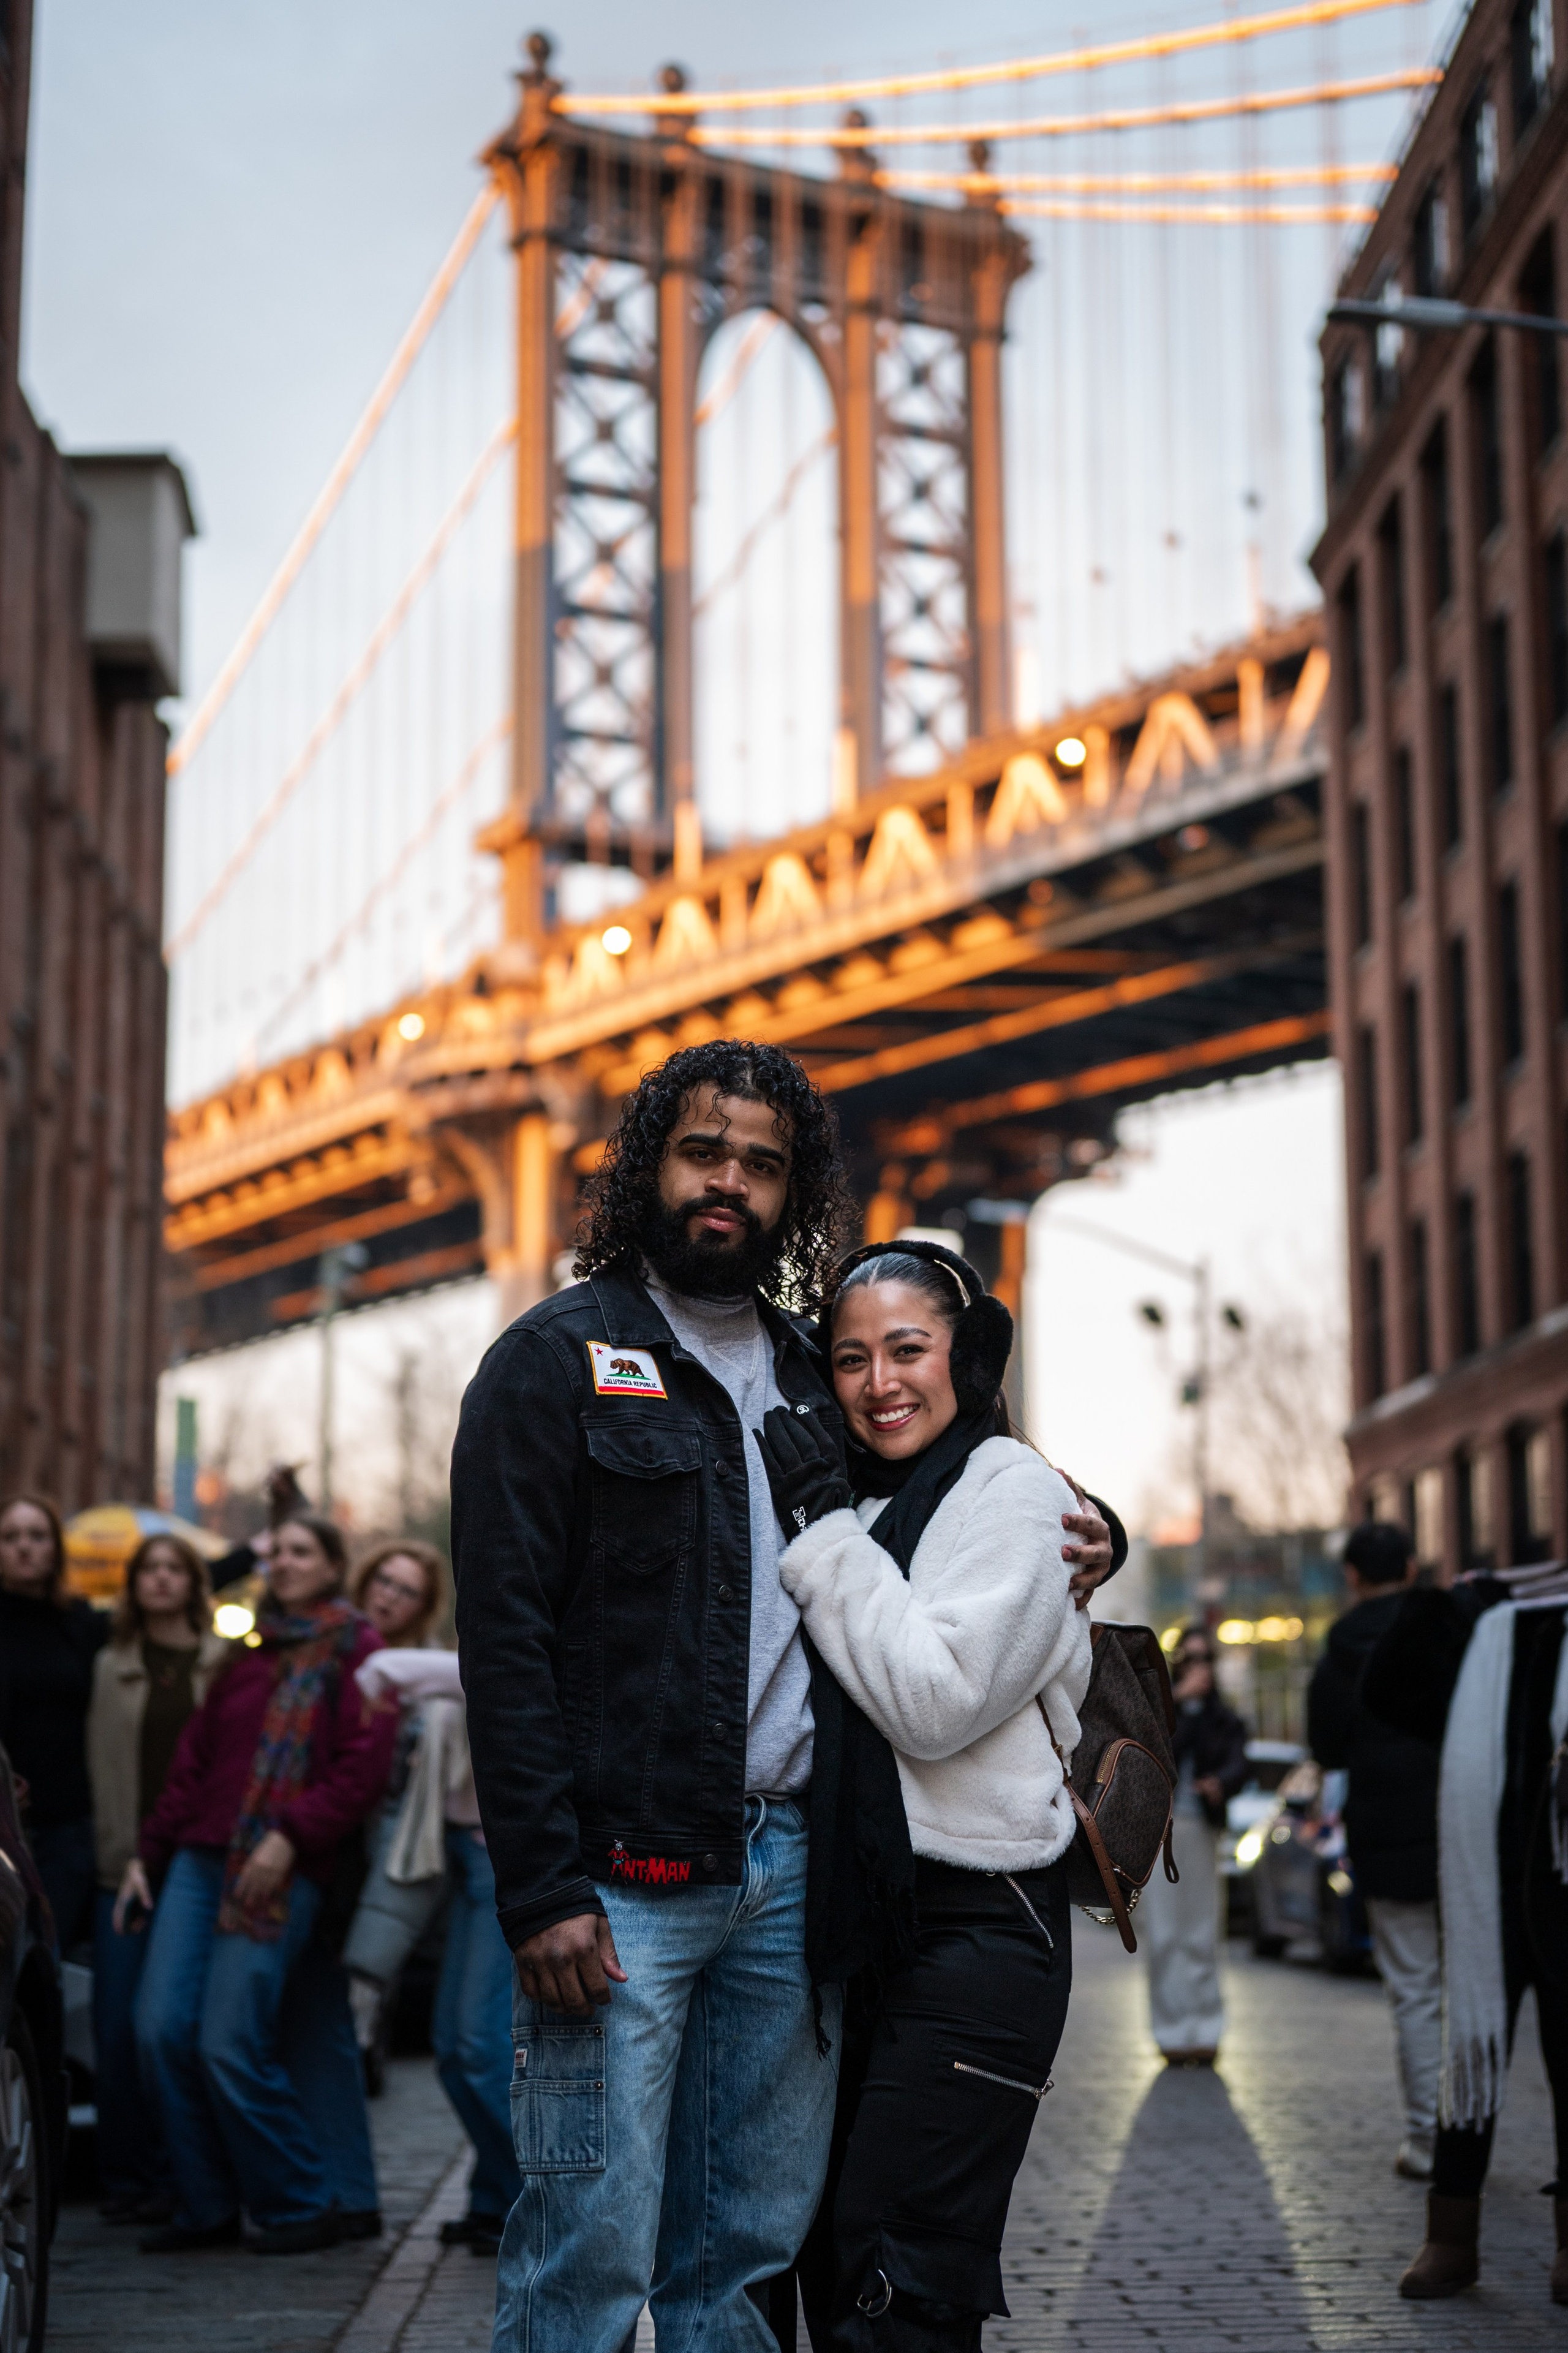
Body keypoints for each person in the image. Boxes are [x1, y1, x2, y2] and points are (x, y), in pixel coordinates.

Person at [450, 1040, 1122, 2353]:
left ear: (794, 1195)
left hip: (798, 1881)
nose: (729, 1184)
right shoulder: (552, 1361)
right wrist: (539, 1887)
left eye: (762, 1166)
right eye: (702, 1152)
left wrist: (1099, 1527)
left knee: (745, 2257)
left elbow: (962, 1485)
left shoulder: (819, 1369)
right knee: (586, 2251)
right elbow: (505, 1641)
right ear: (646, 1167)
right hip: (622, 1882)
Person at [759, 1240, 1090, 2352]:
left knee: (899, 2281)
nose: (880, 1382)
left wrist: (821, 1532)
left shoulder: (1014, 1489)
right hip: (853, 1921)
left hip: (980, 1922)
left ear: (968, 1358)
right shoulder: (855, 1494)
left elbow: (936, 1701)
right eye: (851, 1359)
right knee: (831, 2262)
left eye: (909, 1349)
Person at [118, 1512, 396, 2254]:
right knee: (158, 2029)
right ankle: (206, 2202)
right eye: (279, 1553)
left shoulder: (358, 1649)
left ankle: (300, 2199)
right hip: (197, 1859)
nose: (286, 1562)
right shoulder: (251, 1648)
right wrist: (151, 1851)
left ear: (333, 1566)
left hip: (282, 1863)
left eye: (303, 1552)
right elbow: (194, 1762)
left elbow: (363, 1768)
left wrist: (291, 1834)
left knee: (229, 2040)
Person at [1360, 1558, 1568, 2305]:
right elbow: (1389, 1691)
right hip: (1490, 1875)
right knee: (1470, 2048)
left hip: (1561, 1880)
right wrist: (1444, 1603)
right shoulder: (1481, 1619)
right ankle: (1451, 2238)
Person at [355, 1640, 521, 2257]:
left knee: (478, 2045)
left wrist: (374, 1675)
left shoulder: (488, 1650)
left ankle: (534, 2198)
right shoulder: (454, 1654)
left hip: (495, 1860)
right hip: (455, 1855)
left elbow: (415, 1670)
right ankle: (493, 2196)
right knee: (451, 2049)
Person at [87, 1532, 230, 2223]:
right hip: (122, 1866)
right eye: (151, 1569)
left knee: (179, 2027)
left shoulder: (223, 1661)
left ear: (194, 1583)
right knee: (119, 2028)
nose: (163, 1579)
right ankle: (128, 2176)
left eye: (176, 1569)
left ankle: (188, 2176)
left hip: (197, 1864)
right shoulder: (106, 1663)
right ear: (134, 1583)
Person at [1308, 1520, 1440, 2180]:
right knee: (1479, 1986)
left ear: (1353, 1576)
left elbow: (1327, 1748)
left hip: (1386, 1835)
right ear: (1411, 1568)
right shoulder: (1449, 1633)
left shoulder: (1338, 1651)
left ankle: (1429, 2139)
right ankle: (1477, 2129)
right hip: (1462, 1824)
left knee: (1414, 1988)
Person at [340, 1539, 453, 2084]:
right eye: (384, 1580)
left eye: (407, 1591)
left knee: (369, 1962)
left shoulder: (430, 1671)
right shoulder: (335, 1643)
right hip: (332, 1827)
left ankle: (364, 2055)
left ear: (423, 1605)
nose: (389, 1596)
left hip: (390, 1832)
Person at [0, 1492, 108, 1951]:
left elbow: (164, 1600)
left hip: (66, 1826)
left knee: (47, 1961)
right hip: (2, 1822)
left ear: (56, 1549)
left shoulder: (80, 1622)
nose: (24, 1546)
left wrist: (252, 1553)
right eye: (10, 1537)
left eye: (37, 1536)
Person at [1139, 1625, 1247, 2067]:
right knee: (1164, 1933)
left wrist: (1219, 1783)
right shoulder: (1160, 1710)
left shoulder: (1224, 1718)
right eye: (1191, 1658)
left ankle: (1206, 2030)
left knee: (1202, 1932)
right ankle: (1170, 2031)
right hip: (1159, 1831)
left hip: (1202, 1828)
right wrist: (1178, 1702)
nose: (1199, 1668)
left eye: (1207, 1659)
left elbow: (1238, 1763)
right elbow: (1154, 1752)